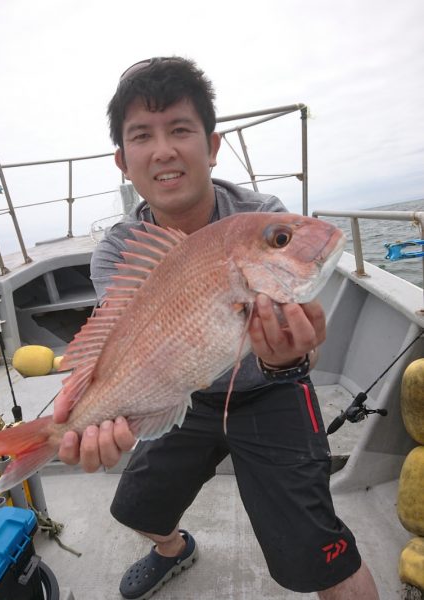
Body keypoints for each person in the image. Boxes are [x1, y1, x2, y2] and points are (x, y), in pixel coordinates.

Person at [54, 56, 379, 599]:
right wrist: (94, 411)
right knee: (133, 507)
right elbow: (130, 349)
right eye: (142, 136)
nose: (163, 150)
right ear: (122, 160)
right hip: (182, 394)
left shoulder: (260, 216)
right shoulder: (118, 250)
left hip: (271, 392)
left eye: (181, 129)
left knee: (326, 560)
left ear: (212, 145)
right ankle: (173, 547)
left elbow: (305, 363)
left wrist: (288, 359)